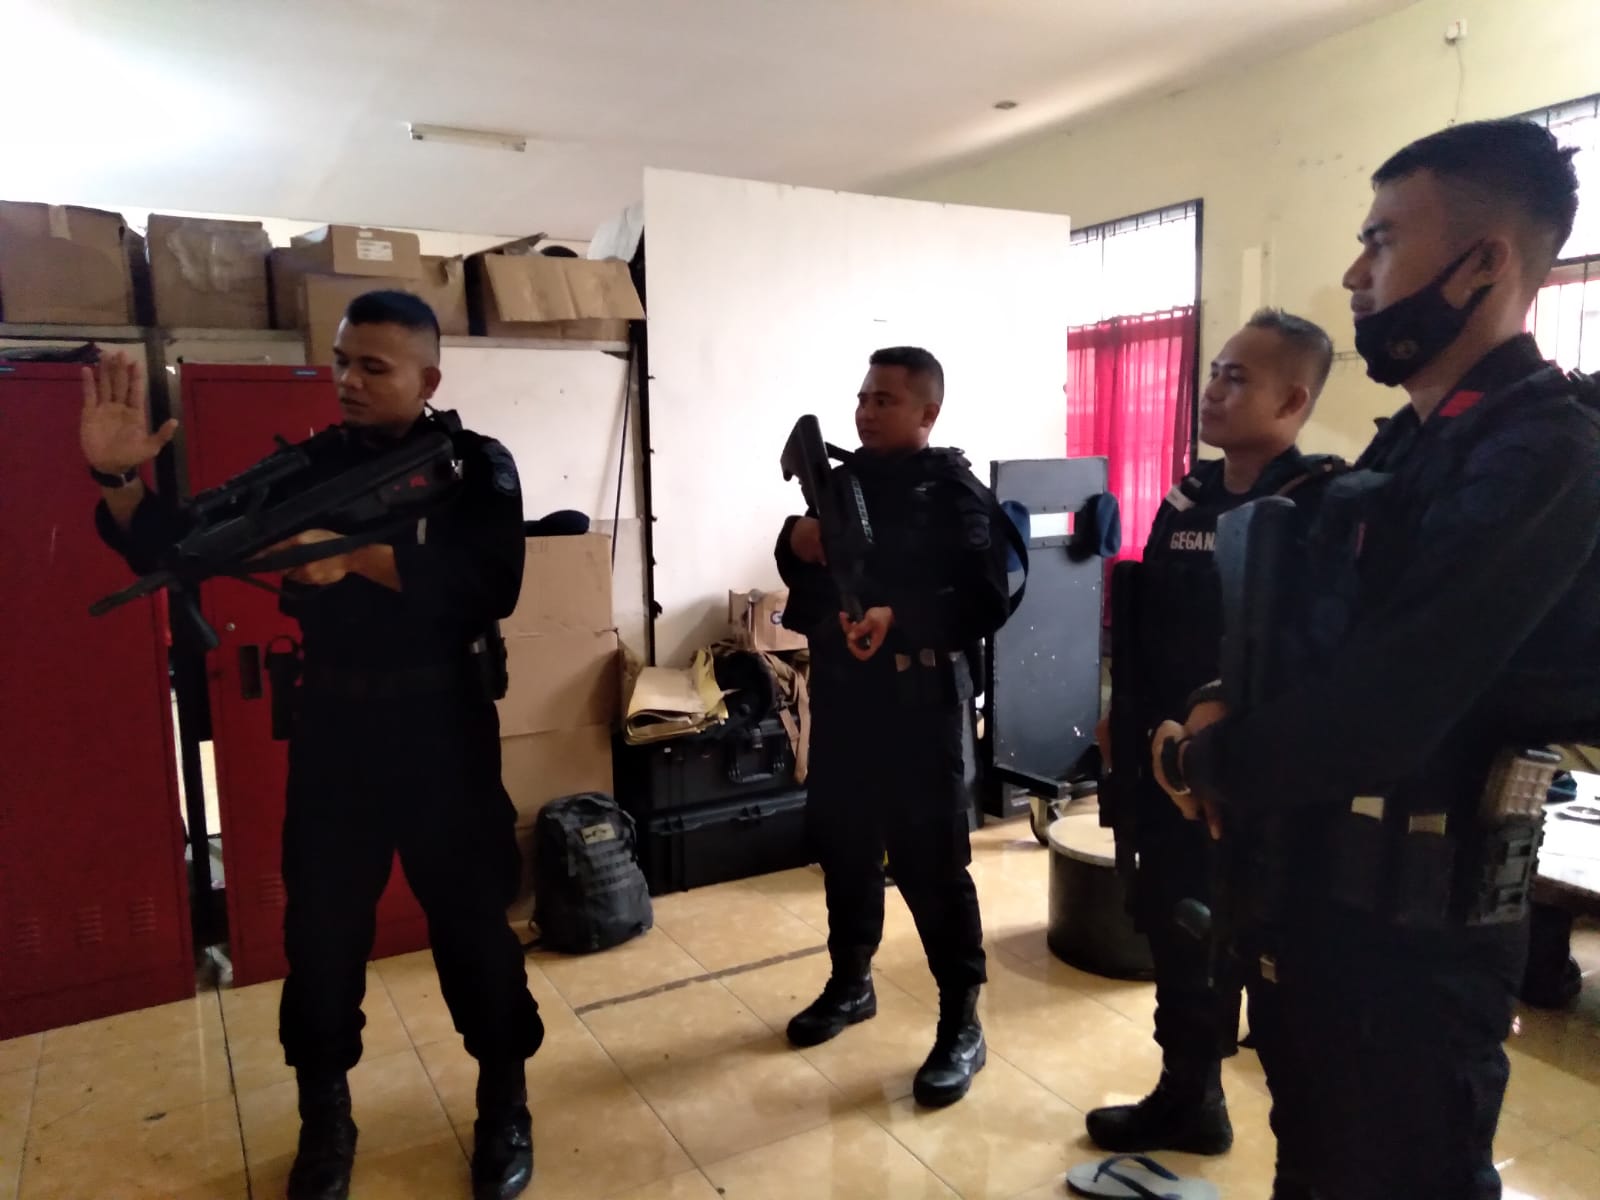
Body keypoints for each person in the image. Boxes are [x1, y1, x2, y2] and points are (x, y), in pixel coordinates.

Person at [1152, 119, 1599, 1200]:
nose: (1356, 275)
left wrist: (1207, 764)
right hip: (1327, 913)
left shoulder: (1545, 451)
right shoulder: (1414, 441)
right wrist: (1218, 697)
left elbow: (1391, 702)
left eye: (1382, 240)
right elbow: (1328, 626)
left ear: (1484, 263)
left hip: (1418, 945)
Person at [83, 291, 545, 1200]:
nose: (349, 380)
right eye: (341, 362)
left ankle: (504, 1099)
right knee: (323, 936)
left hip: (444, 730)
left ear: (428, 379)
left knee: (472, 925)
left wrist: (359, 555)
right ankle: (325, 1118)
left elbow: (492, 583)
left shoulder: (477, 466)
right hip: (338, 732)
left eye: (373, 366)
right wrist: (118, 482)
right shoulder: (309, 467)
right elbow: (185, 548)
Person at [1089, 309, 1340, 1157]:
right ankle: (1187, 1094)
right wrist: (1122, 712)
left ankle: (1297, 1143)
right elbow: (1155, 620)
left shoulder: (1316, 506)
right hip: (1166, 761)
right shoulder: (1186, 495)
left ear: (1293, 400)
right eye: (1215, 372)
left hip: (1250, 778)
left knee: (1252, 946)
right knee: (1173, 924)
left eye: (1238, 378)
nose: (1214, 389)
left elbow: (1313, 659)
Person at [775, 346, 1014, 1107]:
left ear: (927, 413)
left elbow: (992, 594)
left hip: (920, 703)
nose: (867, 412)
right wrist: (796, 543)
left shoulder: (955, 493)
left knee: (931, 865)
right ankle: (851, 983)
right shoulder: (841, 482)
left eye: (885, 400)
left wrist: (899, 617)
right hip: (847, 699)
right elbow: (806, 575)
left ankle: (961, 1023)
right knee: (844, 847)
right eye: (863, 398)